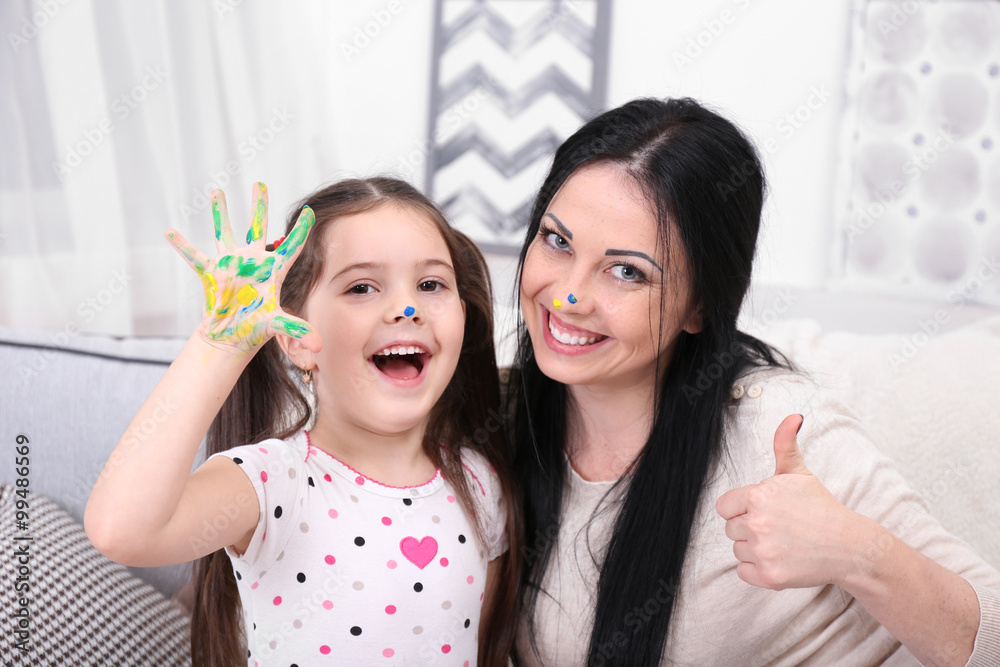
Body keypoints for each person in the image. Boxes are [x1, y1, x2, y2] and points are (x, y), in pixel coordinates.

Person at [509, 98, 1000, 666]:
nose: (568, 296)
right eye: (557, 241)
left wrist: (854, 551)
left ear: (700, 308)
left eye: (627, 271)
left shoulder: (779, 430)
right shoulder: (508, 415)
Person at [85, 178, 518, 666]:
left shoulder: (481, 484)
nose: (407, 308)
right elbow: (121, 531)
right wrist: (221, 345)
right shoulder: (275, 481)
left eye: (430, 284)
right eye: (361, 287)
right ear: (293, 336)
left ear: (461, 316)